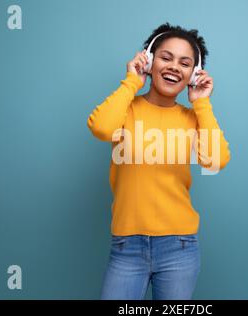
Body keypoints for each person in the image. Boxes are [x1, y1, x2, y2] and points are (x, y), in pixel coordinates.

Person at [87, 22, 231, 300]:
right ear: (149, 61)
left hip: (179, 247)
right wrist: (131, 81)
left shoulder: (193, 119)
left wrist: (201, 103)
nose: (174, 66)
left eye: (185, 63)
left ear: (193, 74)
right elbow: (102, 128)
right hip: (126, 246)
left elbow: (216, 160)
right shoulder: (126, 110)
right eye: (166, 57)